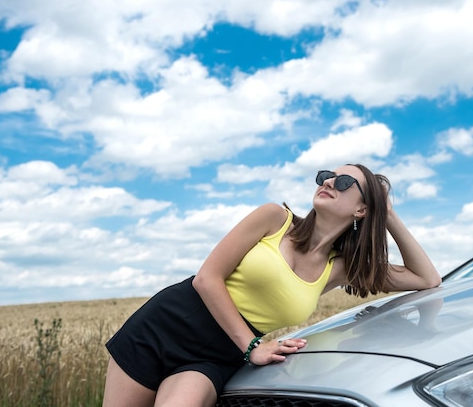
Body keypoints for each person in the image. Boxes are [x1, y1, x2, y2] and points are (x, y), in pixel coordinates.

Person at [102, 164, 441, 407]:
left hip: (217, 357)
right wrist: (252, 347)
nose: (328, 182)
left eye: (344, 182)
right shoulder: (273, 219)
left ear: (361, 209)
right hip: (164, 328)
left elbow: (426, 279)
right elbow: (207, 279)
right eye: (325, 176)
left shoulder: (340, 269)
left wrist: (388, 214)